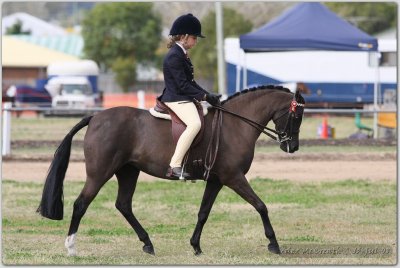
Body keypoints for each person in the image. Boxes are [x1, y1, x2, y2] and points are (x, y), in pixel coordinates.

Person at [159, 13, 221, 180]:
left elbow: (191, 83)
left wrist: (207, 95)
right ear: (184, 36)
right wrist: (205, 97)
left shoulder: (182, 54)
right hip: (175, 98)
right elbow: (182, 85)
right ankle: (174, 166)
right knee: (194, 124)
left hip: (182, 96)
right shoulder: (174, 56)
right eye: (194, 37)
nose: (196, 41)